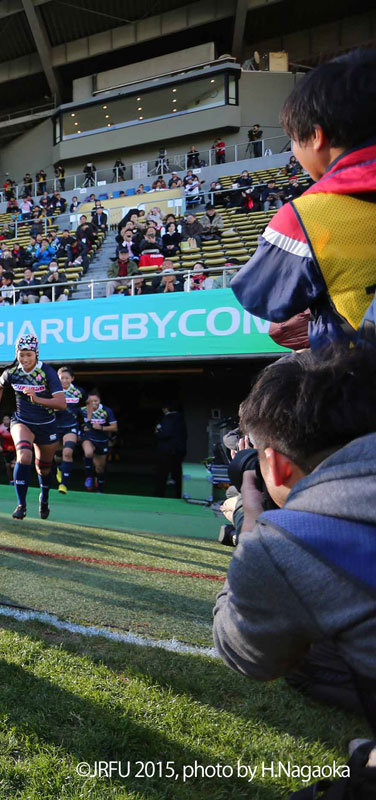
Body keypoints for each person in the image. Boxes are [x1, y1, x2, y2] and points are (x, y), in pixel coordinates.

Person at [213, 345, 376, 717]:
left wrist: (252, 526)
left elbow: (244, 652)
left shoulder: (291, 540)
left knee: (305, 662)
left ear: (276, 465)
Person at [232, 50, 376, 349]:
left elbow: (261, 297)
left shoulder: (307, 216)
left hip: (356, 380)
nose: (295, 153)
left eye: (294, 141)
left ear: (316, 137)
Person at [0, 334, 65, 520]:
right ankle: (21, 505)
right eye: (21, 354)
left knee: (44, 469)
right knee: (23, 456)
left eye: (28, 355)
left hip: (46, 425)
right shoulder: (12, 372)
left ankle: (44, 497)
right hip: (22, 421)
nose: (24, 359)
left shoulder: (47, 372)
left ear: (36, 354)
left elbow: (62, 403)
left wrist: (37, 398)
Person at [53, 367, 83, 494]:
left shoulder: (79, 392)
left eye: (67, 378)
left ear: (72, 379)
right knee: (54, 455)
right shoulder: (53, 391)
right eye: (62, 378)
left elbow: (86, 405)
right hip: (55, 426)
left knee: (68, 452)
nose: (64, 380)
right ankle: (59, 469)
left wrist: (88, 422)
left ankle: (63, 484)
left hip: (71, 426)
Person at [79, 392, 117, 492]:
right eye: (91, 401)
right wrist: (82, 428)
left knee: (100, 468)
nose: (93, 403)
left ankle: (99, 489)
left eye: (96, 401)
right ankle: (89, 477)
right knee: (88, 453)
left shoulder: (107, 410)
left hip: (102, 440)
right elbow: (77, 422)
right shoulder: (82, 410)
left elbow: (115, 427)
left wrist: (101, 427)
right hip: (88, 438)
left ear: (100, 401)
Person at [153, 403, 186, 498]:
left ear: (166, 409)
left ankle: (159, 494)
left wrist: (157, 433)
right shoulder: (181, 418)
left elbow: (165, 434)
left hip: (167, 450)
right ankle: (179, 494)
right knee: (177, 473)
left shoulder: (169, 418)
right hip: (179, 450)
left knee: (162, 474)